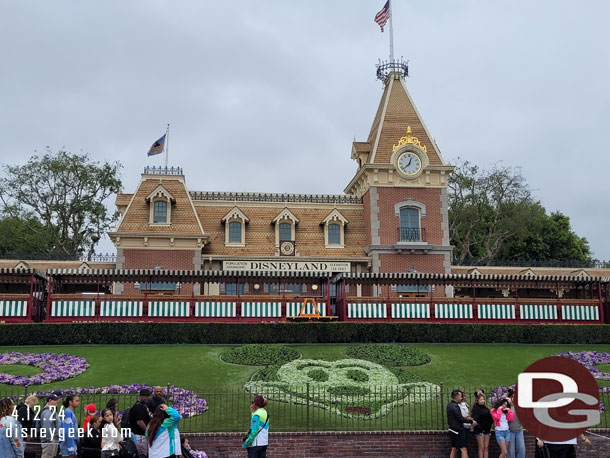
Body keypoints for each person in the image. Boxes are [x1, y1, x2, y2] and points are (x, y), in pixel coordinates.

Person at [130, 388, 152, 458]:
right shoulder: (139, 406)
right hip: (139, 436)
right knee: (141, 454)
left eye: (148, 396)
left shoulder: (142, 405)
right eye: (145, 396)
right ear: (141, 396)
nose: (147, 398)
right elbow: (140, 422)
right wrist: (147, 432)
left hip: (139, 435)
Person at [40, 394, 61, 458]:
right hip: (50, 441)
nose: (57, 401)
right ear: (50, 401)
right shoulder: (47, 412)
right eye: (55, 400)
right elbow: (47, 427)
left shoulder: (51, 411)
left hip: (53, 440)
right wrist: (50, 440)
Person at [506, 389, 525, 458]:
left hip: (519, 431)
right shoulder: (507, 407)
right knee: (511, 450)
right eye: (513, 397)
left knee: (521, 449)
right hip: (510, 431)